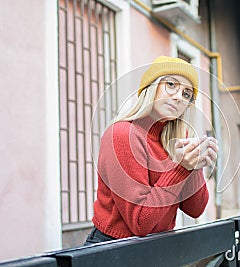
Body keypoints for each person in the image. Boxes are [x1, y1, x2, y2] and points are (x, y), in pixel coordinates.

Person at [84, 56, 219, 245]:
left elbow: (195, 209)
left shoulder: (174, 142)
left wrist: (194, 164)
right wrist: (180, 168)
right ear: (152, 87)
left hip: (157, 249)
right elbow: (140, 222)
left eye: (186, 94)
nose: (179, 96)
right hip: (113, 249)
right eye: (171, 84)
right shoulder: (122, 134)